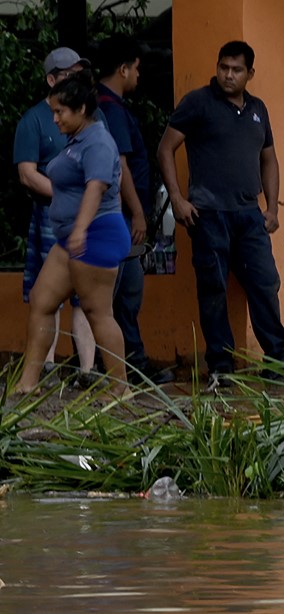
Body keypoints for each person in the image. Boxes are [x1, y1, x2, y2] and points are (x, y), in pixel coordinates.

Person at [156, 40, 284, 389]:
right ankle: (221, 365)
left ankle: (280, 362)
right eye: (223, 67)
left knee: (265, 285)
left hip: (250, 215)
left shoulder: (258, 109)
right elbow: (165, 148)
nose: (228, 75)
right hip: (208, 215)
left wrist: (273, 207)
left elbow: (269, 159)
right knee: (213, 288)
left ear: (250, 73)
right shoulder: (198, 103)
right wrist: (177, 198)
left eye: (236, 70)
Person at [14, 71, 131, 396]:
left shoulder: (98, 141)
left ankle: (120, 389)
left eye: (59, 112)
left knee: (97, 312)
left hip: (94, 236)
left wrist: (80, 229)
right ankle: (27, 383)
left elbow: (97, 186)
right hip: (72, 238)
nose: (54, 119)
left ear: (81, 109)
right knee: (41, 299)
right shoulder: (76, 139)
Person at [13, 47, 98, 384]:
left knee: (86, 293)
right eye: (69, 73)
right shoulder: (33, 119)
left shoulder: (93, 117)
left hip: (90, 217)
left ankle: (89, 371)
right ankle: (46, 367)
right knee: (49, 292)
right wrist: (67, 195)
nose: (77, 78)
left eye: (80, 72)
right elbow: (27, 173)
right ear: (51, 79)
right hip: (51, 215)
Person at [95, 34, 173, 385]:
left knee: (127, 293)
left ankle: (131, 361)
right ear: (123, 69)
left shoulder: (110, 107)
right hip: (122, 216)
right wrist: (138, 213)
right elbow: (121, 165)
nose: (139, 76)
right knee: (122, 294)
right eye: (137, 69)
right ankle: (122, 365)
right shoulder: (110, 108)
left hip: (123, 214)